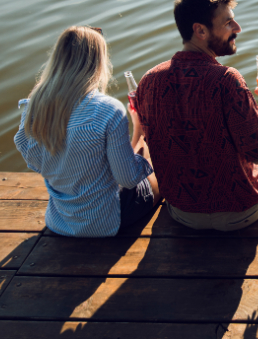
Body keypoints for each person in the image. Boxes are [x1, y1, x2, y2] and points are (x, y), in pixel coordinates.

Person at [135, 0, 258, 231]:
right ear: (200, 30)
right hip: (239, 213)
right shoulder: (226, 79)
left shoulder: (148, 81)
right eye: (228, 22)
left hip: (181, 211)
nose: (238, 27)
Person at [14, 26, 160, 237]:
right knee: (158, 171)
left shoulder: (33, 107)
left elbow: (38, 162)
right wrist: (141, 131)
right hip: (108, 220)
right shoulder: (108, 109)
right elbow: (128, 179)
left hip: (60, 220)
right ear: (99, 62)